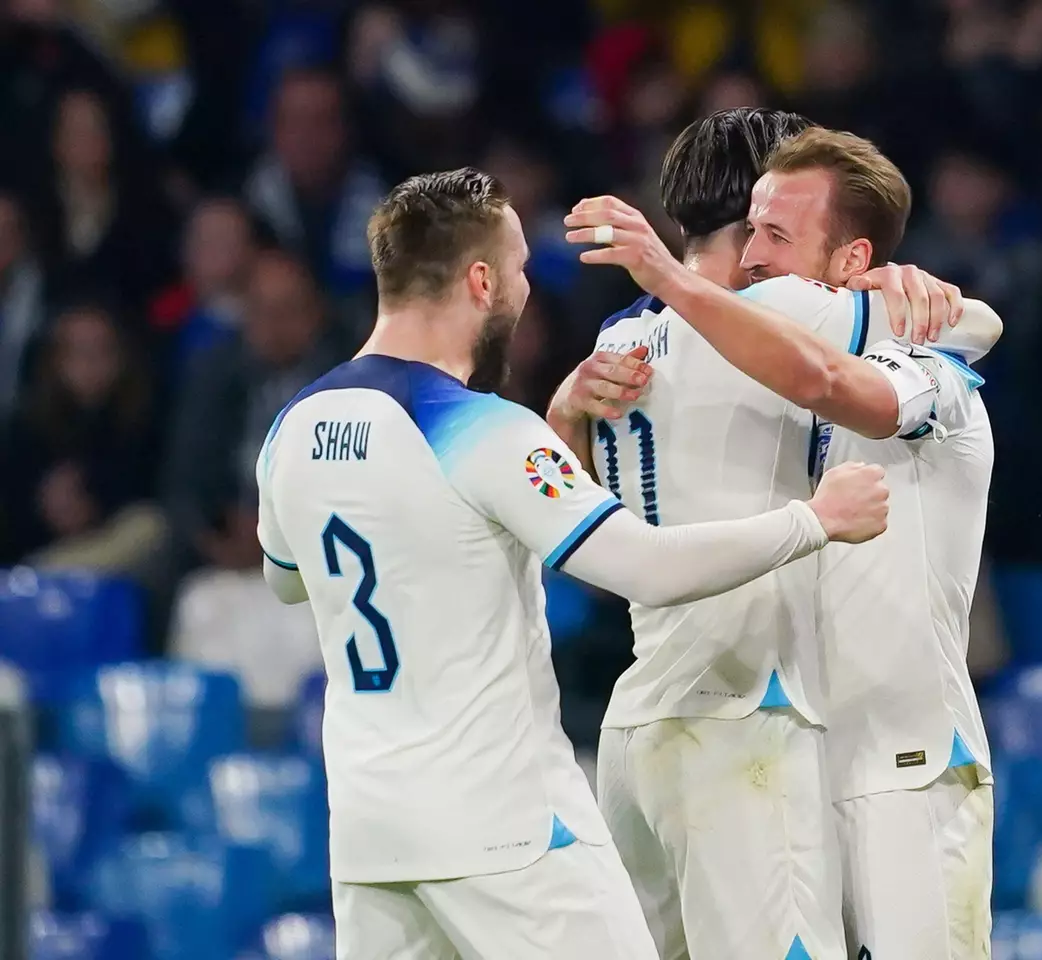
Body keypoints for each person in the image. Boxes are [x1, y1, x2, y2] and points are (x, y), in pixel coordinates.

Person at [255, 167, 892, 960]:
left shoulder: (292, 427)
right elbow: (648, 568)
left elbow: (288, 579)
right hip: (505, 827)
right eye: (519, 271)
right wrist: (814, 521)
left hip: (369, 833)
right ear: (481, 280)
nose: (523, 295)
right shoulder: (481, 428)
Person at [549, 110, 1000, 959]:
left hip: (732, 731)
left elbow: (576, 528)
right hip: (759, 722)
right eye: (755, 226)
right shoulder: (788, 314)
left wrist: (565, 404)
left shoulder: (617, 344)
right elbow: (970, 328)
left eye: (777, 232)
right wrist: (953, 305)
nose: (759, 255)